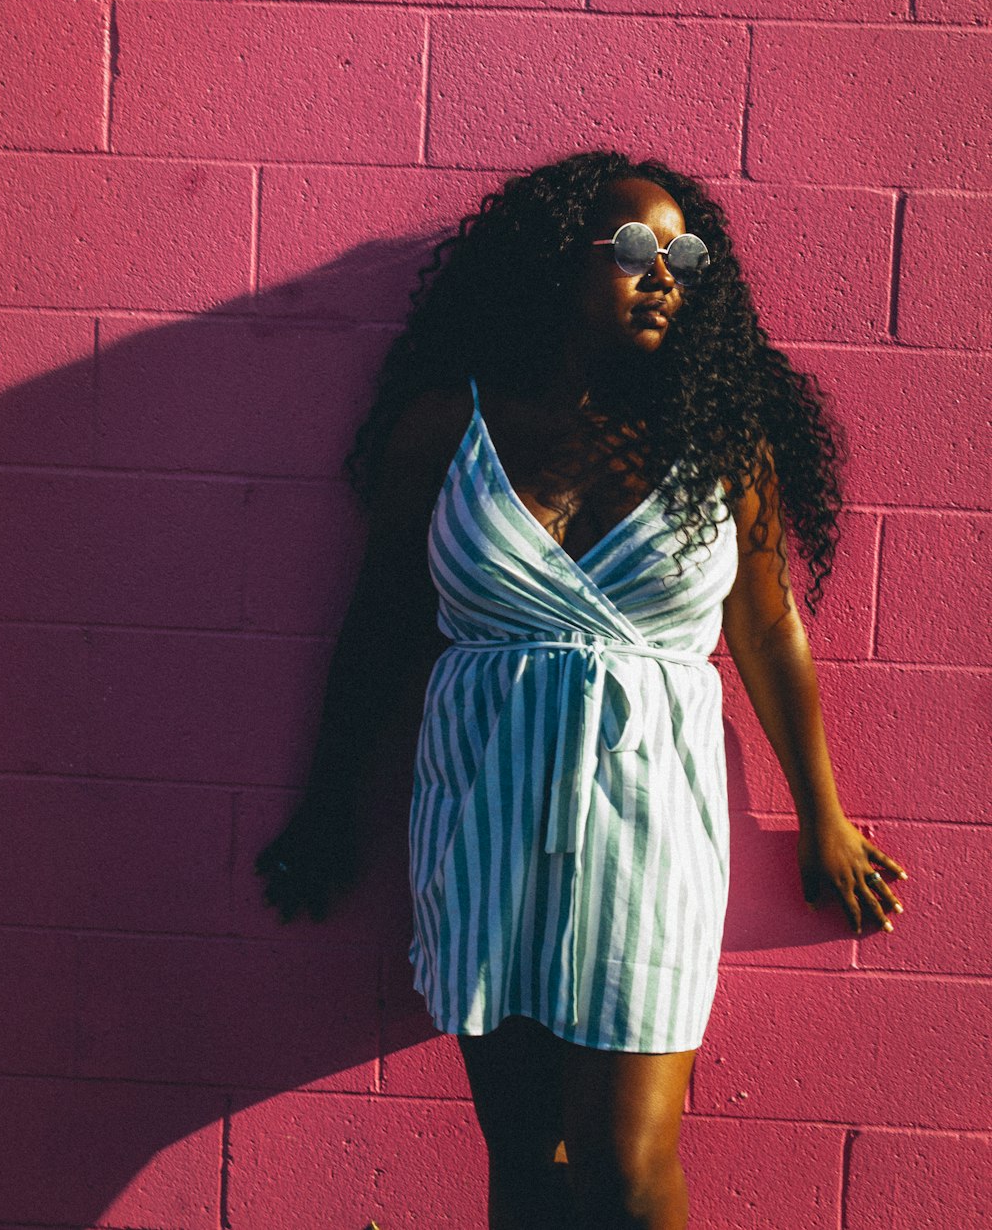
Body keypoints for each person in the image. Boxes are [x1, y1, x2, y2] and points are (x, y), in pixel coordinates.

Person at [255, 150, 908, 1230]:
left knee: (625, 1169)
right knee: (525, 1159)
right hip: (480, 806)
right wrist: (328, 808)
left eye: (684, 256)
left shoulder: (721, 447)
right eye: (637, 251)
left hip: (652, 816)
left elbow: (766, 629)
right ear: (560, 264)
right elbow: (378, 629)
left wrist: (820, 820)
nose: (665, 275)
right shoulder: (444, 428)